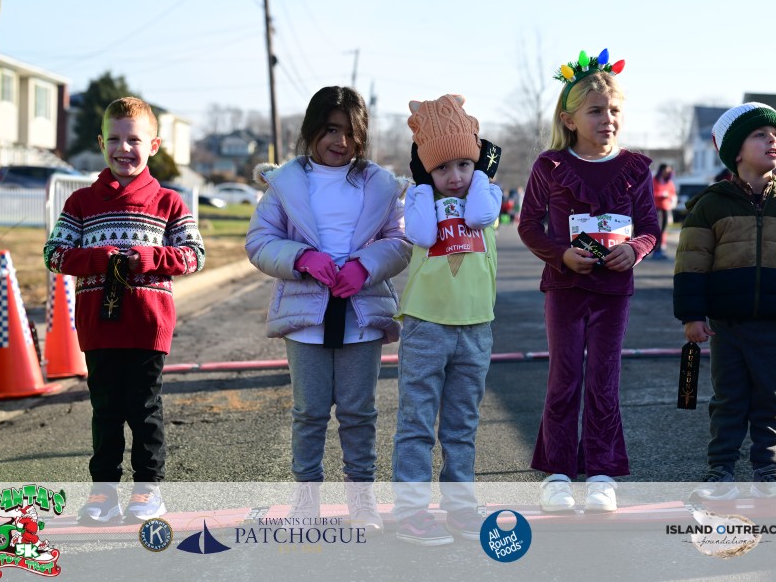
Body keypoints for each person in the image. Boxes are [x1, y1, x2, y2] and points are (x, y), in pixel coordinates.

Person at [245, 86, 411, 533]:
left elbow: (400, 240)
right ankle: (306, 501)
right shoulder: (286, 182)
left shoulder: (380, 183)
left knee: (359, 413)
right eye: (332, 129)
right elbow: (259, 241)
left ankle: (362, 499)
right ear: (312, 128)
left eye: (352, 133)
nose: (341, 141)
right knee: (309, 413)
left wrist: (366, 266)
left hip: (361, 314)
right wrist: (301, 258)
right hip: (306, 315)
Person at [43, 97, 205, 524]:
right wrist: (96, 258)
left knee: (145, 408)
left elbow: (194, 254)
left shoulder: (168, 202)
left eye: (134, 139)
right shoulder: (81, 202)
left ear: (153, 145)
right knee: (106, 411)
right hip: (98, 326)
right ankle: (104, 493)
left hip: (148, 326)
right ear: (101, 143)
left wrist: (150, 258)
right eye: (113, 139)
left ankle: (148, 491)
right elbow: (54, 253)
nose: (123, 148)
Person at [674, 102, 776, 501]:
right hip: (727, 327)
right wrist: (692, 315)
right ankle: (721, 473)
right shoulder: (710, 205)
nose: (773, 140)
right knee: (728, 400)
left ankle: (767, 473)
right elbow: (691, 263)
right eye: (760, 135)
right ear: (735, 150)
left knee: (771, 401)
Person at [518, 49, 659, 513]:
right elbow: (528, 225)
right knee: (565, 377)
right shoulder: (551, 165)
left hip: (613, 293)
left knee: (603, 379)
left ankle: (601, 473)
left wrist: (634, 250)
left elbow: (650, 228)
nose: (607, 118)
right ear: (569, 119)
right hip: (566, 289)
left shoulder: (636, 167)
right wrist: (561, 254)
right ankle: (557, 474)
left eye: (614, 110)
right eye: (596, 111)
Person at [391, 94, 502, 546]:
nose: (454, 177)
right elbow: (421, 234)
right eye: (442, 168)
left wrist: (482, 174)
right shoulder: (420, 197)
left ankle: (460, 508)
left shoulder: (487, 193)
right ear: (425, 169)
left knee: (462, 424)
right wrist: (423, 185)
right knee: (417, 422)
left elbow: (479, 215)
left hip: (475, 325)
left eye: (463, 164)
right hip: (427, 325)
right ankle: (411, 511)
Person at [651, 164, 677, 258]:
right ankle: (656, 249)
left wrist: (670, 197)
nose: (667, 173)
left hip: (666, 208)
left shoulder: (669, 182)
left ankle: (662, 248)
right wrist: (661, 194)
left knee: (664, 229)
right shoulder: (654, 180)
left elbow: (672, 193)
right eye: (666, 171)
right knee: (658, 228)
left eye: (669, 171)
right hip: (657, 207)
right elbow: (651, 192)